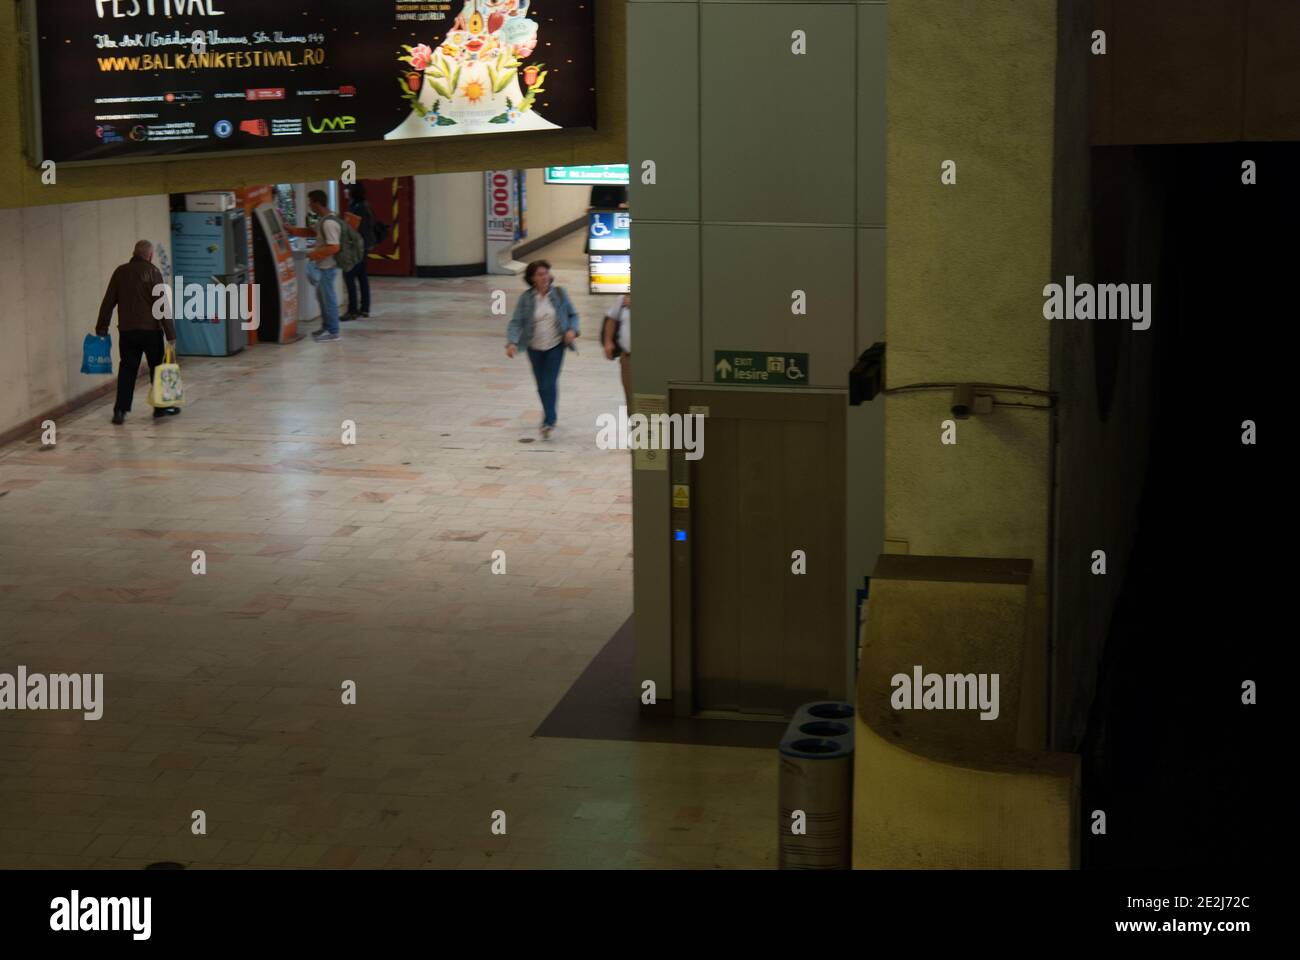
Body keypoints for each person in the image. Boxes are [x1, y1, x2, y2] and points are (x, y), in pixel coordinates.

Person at [95, 240, 177, 425]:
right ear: (149, 255)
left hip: (128, 332)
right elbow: (162, 306)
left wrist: (102, 328)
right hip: (151, 332)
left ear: (134, 253)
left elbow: (108, 302)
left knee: (127, 370)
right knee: (157, 368)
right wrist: (171, 334)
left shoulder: (120, 272)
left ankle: (120, 411)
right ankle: (160, 408)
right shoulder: (154, 272)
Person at [506, 260, 579, 439]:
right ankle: (549, 416)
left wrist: (572, 330)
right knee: (541, 386)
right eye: (540, 274)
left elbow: (573, 315)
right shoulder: (526, 299)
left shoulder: (560, 294)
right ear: (532, 278)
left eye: (546, 273)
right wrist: (512, 342)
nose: (544, 277)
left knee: (549, 383)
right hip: (534, 347)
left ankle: (549, 420)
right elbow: (516, 322)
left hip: (555, 345)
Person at [287, 190, 343, 342]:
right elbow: (311, 232)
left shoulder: (329, 222)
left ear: (317, 203)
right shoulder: (323, 220)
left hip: (327, 267)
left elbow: (334, 247)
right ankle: (326, 326)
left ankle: (334, 331)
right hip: (322, 266)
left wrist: (313, 255)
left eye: (310, 202)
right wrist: (292, 230)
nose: (309, 205)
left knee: (328, 299)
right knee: (322, 298)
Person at [343, 183, 376, 321]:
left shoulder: (357, 207)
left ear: (353, 191)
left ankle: (352, 310)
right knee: (362, 277)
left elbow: (352, 228)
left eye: (347, 189)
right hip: (364, 246)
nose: (345, 191)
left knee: (349, 276)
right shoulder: (364, 205)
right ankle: (364, 308)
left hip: (357, 247)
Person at [602, 292, 632, 409]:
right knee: (630, 397)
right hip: (628, 358)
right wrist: (608, 342)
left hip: (651, 358)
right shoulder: (623, 299)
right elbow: (612, 319)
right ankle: (636, 425)